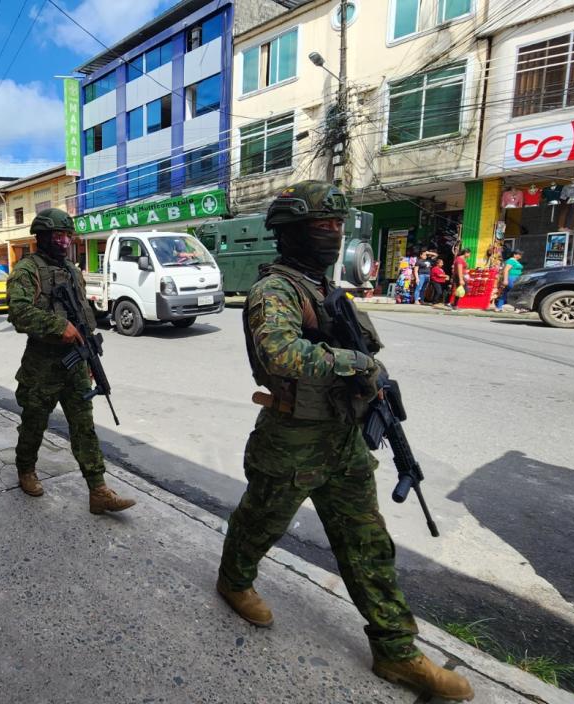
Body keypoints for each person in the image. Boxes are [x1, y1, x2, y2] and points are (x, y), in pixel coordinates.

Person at [216, 181, 473, 702]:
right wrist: (356, 364)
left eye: (337, 225)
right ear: (291, 234)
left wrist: (369, 381)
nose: (333, 235)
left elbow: (360, 350)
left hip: (344, 438)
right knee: (260, 523)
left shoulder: (326, 291)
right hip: (292, 441)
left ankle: (397, 651)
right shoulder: (276, 292)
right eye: (320, 227)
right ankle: (233, 581)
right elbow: (281, 356)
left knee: (367, 543)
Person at [5, 208, 136, 515]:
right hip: (42, 365)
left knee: (84, 426)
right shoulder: (27, 271)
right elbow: (18, 313)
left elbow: (81, 317)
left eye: (68, 236)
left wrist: (90, 357)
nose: (65, 242)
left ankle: (98, 489)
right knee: (34, 422)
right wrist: (56, 326)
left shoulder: (74, 271)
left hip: (76, 363)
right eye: (58, 236)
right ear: (43, 238)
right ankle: (26, 469)